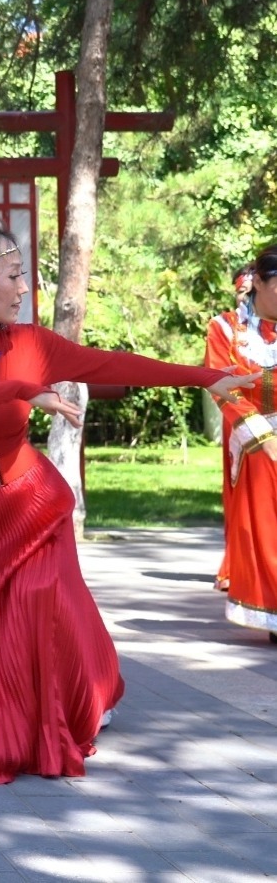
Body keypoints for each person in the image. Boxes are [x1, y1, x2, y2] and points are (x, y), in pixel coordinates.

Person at [0, 221, 253, 785]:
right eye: (14, 275)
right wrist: (19, 389)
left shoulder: (30, 344)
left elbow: (110, 364)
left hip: (32, 504)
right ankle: (70, 697)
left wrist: (204, 376)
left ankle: (76, 702)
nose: (25, 288)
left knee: (41, 613)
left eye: (25, 275)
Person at [206, 247, 277, 641]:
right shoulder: (225, 328)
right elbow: (221, 386)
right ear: (260, 284)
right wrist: (264, 437)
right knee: (266, 475)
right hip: (254, 433)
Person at [213, 263, 256, 593]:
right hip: (241, 422)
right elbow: (220, 376)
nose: (247, 297)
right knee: (238, 495)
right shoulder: (227, 326)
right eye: (242, 291)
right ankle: (236, 566)